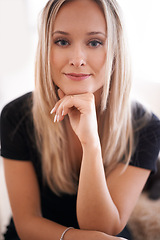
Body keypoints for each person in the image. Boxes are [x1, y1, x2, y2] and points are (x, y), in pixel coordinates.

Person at [1, 0, 160, 239]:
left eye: (95, 42)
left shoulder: (146, 127)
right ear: (46, 48)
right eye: (62, 41)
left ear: (116, 50)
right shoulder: (17, 116)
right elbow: (27, 224)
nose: (77, 58)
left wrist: (90, 143)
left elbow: (104, 226)